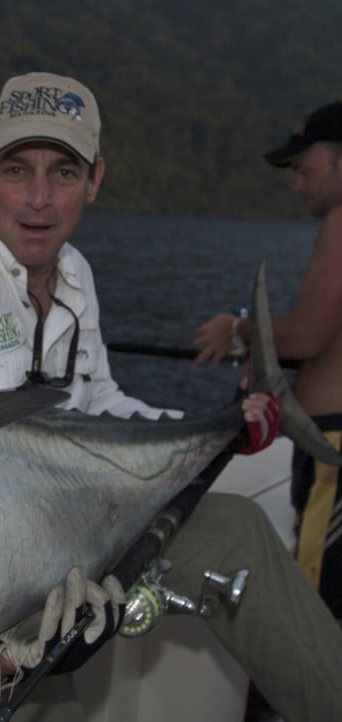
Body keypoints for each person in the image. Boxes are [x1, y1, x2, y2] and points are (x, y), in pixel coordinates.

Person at [0, 72, 342, 721]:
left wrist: (218, 426)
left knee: (239, 531)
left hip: (74, 533)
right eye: (16, 170)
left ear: (94, 181)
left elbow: (102, 405)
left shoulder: (75, 275)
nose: (38, 199)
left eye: (63, 173)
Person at [195, 101, 342, 620]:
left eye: (305, 169)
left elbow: (307, 335)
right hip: (325, 439)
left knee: (322, 611)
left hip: (332, 450)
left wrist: (234, 330)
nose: (297, 184)